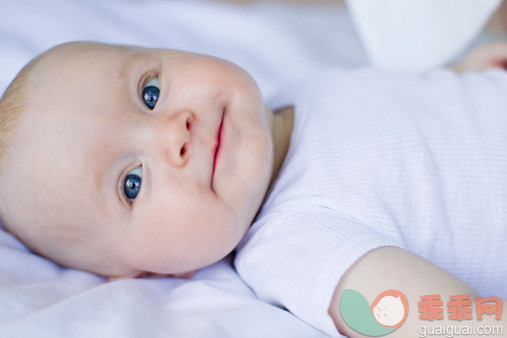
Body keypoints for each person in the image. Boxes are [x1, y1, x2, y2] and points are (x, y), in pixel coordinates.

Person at [0, 41, 505, 337]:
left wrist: (464, 73)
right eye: (131, 183)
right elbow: (438, 324)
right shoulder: (297, 245)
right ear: (153, 269)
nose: (173, 132)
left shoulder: (297, 92)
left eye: (149, 93)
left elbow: (417, 116)